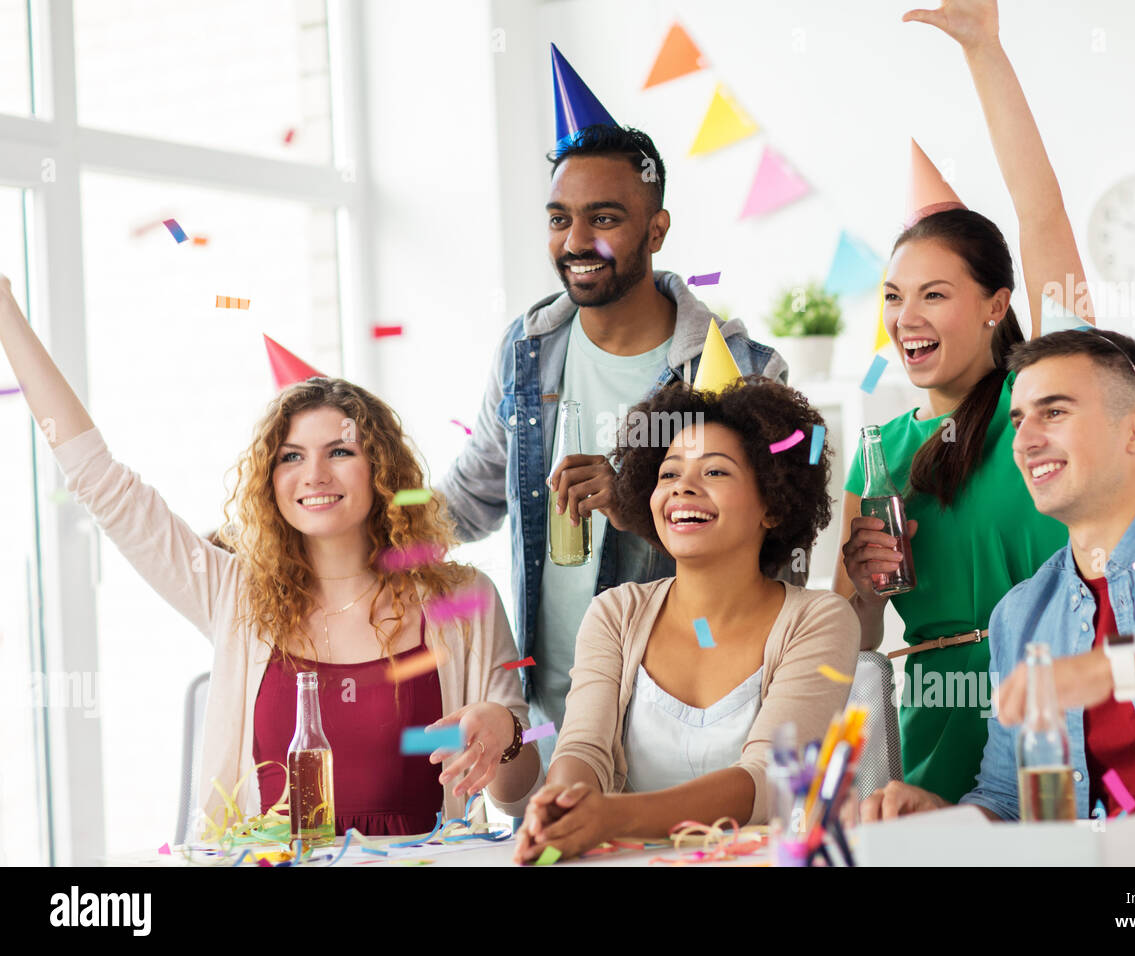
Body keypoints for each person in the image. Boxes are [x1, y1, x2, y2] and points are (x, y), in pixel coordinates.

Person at [0, 274, 543, 836]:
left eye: (339, 451)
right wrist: (4, 308)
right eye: (290, 457)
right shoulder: (234, 593)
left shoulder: (464, 600)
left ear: (382, 470)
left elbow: (518, 791)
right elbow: (99, 480)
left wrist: (504, 734)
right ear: (269, 478)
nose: (314, 475)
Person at [437, 124, 789, 759]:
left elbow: (781, 548)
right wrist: (291, 531)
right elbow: (467, 500)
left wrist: (640, 508)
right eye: (558, 218)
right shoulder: (527, 350)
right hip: (546, 724)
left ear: (656, 230)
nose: (575, 242)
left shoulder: (735, 367)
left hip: (692, 726)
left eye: (603, 218)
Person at [858, 330, 1135, 827]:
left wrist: (1108, 668)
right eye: (1019, 420)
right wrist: (939, 819)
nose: (1024, 442)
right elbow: (1007, 799)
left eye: (1055, 412)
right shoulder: (1021, 614)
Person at [833, 0, 1092, 804]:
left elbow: (1042, 216)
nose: (906, 317)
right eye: (892, 296)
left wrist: (986, 54)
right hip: (933, 733)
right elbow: (855, 647)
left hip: (1058, 705)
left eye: (935, 294)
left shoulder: (1040, 399)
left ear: (994, 302)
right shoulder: (880, 457)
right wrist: (863, 590)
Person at [512, 380, 858, 862]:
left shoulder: (818, 620)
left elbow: (765, 780)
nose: (682, 487)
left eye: (715, 471)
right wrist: (564, 803)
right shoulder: (615, 613)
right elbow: (582, 750)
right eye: (669, 473)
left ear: (774, 506)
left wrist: (611, 816)